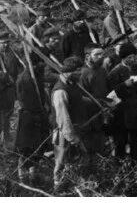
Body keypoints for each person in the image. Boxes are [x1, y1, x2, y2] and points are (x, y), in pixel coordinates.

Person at [52, 56, 92, 192]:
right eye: (78, 71)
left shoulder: (72, 84)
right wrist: (73, 138)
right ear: (68, 72)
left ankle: (78, 189)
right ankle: (58, 191)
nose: (81, 74)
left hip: (77, 129)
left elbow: (79, 99)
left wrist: (99, 103)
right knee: (61, 163)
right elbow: (63, 118)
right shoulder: (60, 91)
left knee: (79, 162)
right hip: (65, 133)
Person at [107, 42, 137, 162]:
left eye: (134, 56)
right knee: (121, 140)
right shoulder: (115, 73)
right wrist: (125, 86)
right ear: (123, 58)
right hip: (122, 112)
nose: (133, 59)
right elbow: (112, 95)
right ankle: (120, 164)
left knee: (136, 138)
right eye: (129, 57)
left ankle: (136, 162)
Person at [15, 54, 50, 182]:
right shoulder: (25, 79)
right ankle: (22, 175)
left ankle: (33, 173)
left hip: (38, 114)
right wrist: (38, 112)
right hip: (29, 117)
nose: (43, 65)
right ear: (32, 65)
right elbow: (26, 101)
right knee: (26, 147)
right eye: (39, 63)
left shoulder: (37, 76)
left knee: (38, 146)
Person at [78, 44, 113, 161]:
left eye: (102, 54)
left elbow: (107, 89)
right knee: (94, 142)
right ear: (88, 56)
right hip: (92, 113)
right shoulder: (83, 73)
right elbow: (81, 97)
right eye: (96, 54)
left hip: (105, 109)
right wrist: (97, 103)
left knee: (106, 137)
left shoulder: (102, 70)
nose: (100, 56)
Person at [0, 32, 22, 151]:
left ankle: (6, 142)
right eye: (2, 43)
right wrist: (5, 76)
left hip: (9, 90)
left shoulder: (12, 54)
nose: (5, 45)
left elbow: (19, 68)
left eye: (7, 42)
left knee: (7, 115)